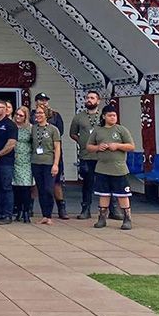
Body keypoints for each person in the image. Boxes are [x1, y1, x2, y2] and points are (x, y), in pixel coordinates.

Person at [88, 105, 136, 230]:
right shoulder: (97, 131)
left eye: (114, 115)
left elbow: (131, 146)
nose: (112, 117)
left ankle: (127, 218)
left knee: (122, 194)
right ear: (104, 116)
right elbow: (89, 146)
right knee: (103, 194)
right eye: (110, 115)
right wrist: (98, 147)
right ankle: (102, 218)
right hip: (102, 168)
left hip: (119, 168)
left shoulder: (121, 130)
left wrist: (118, 146)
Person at [34, 92, 69, 219]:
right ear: (36, 102)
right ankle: (35, 209)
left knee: (56, 183)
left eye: (45, 100)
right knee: (36, 184)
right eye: (40, 100)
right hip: (37, 157)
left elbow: (60, 133)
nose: (43, 103)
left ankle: (61, 207)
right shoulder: (32, 116)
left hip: (53, 155)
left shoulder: (55, 115)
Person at [69, 90, 103, 220]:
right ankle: (85, 208)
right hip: (86, 155)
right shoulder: (79, 117)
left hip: (102, 156)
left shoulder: (103, 116)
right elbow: (72, 133)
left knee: (106, 183)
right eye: (88, 98)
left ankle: (111, 208)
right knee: (87, 183)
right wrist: (83, 142)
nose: (89, 100)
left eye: (92, 98)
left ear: (98, 101)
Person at [31, 105, 63, 225]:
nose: (38, 115)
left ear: (46, 115)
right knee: (40, 189)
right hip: (35, 162)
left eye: (41, 113)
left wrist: (56, 164)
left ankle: (49, 214)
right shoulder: (33, 128)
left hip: (49, 163)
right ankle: (44, 215)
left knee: (49, 189)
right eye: (36, 113)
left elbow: (57, 148)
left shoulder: (53, 129)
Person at [12, 106, 34, 223]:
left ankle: (26, 211)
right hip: (14, 159)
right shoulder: (12, 127)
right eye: (17, 114)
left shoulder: (30, 128)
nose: (18, 117)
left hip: (26, 159)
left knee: (25, 187)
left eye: (21, 115)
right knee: (16, 187)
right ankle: (18, 210)